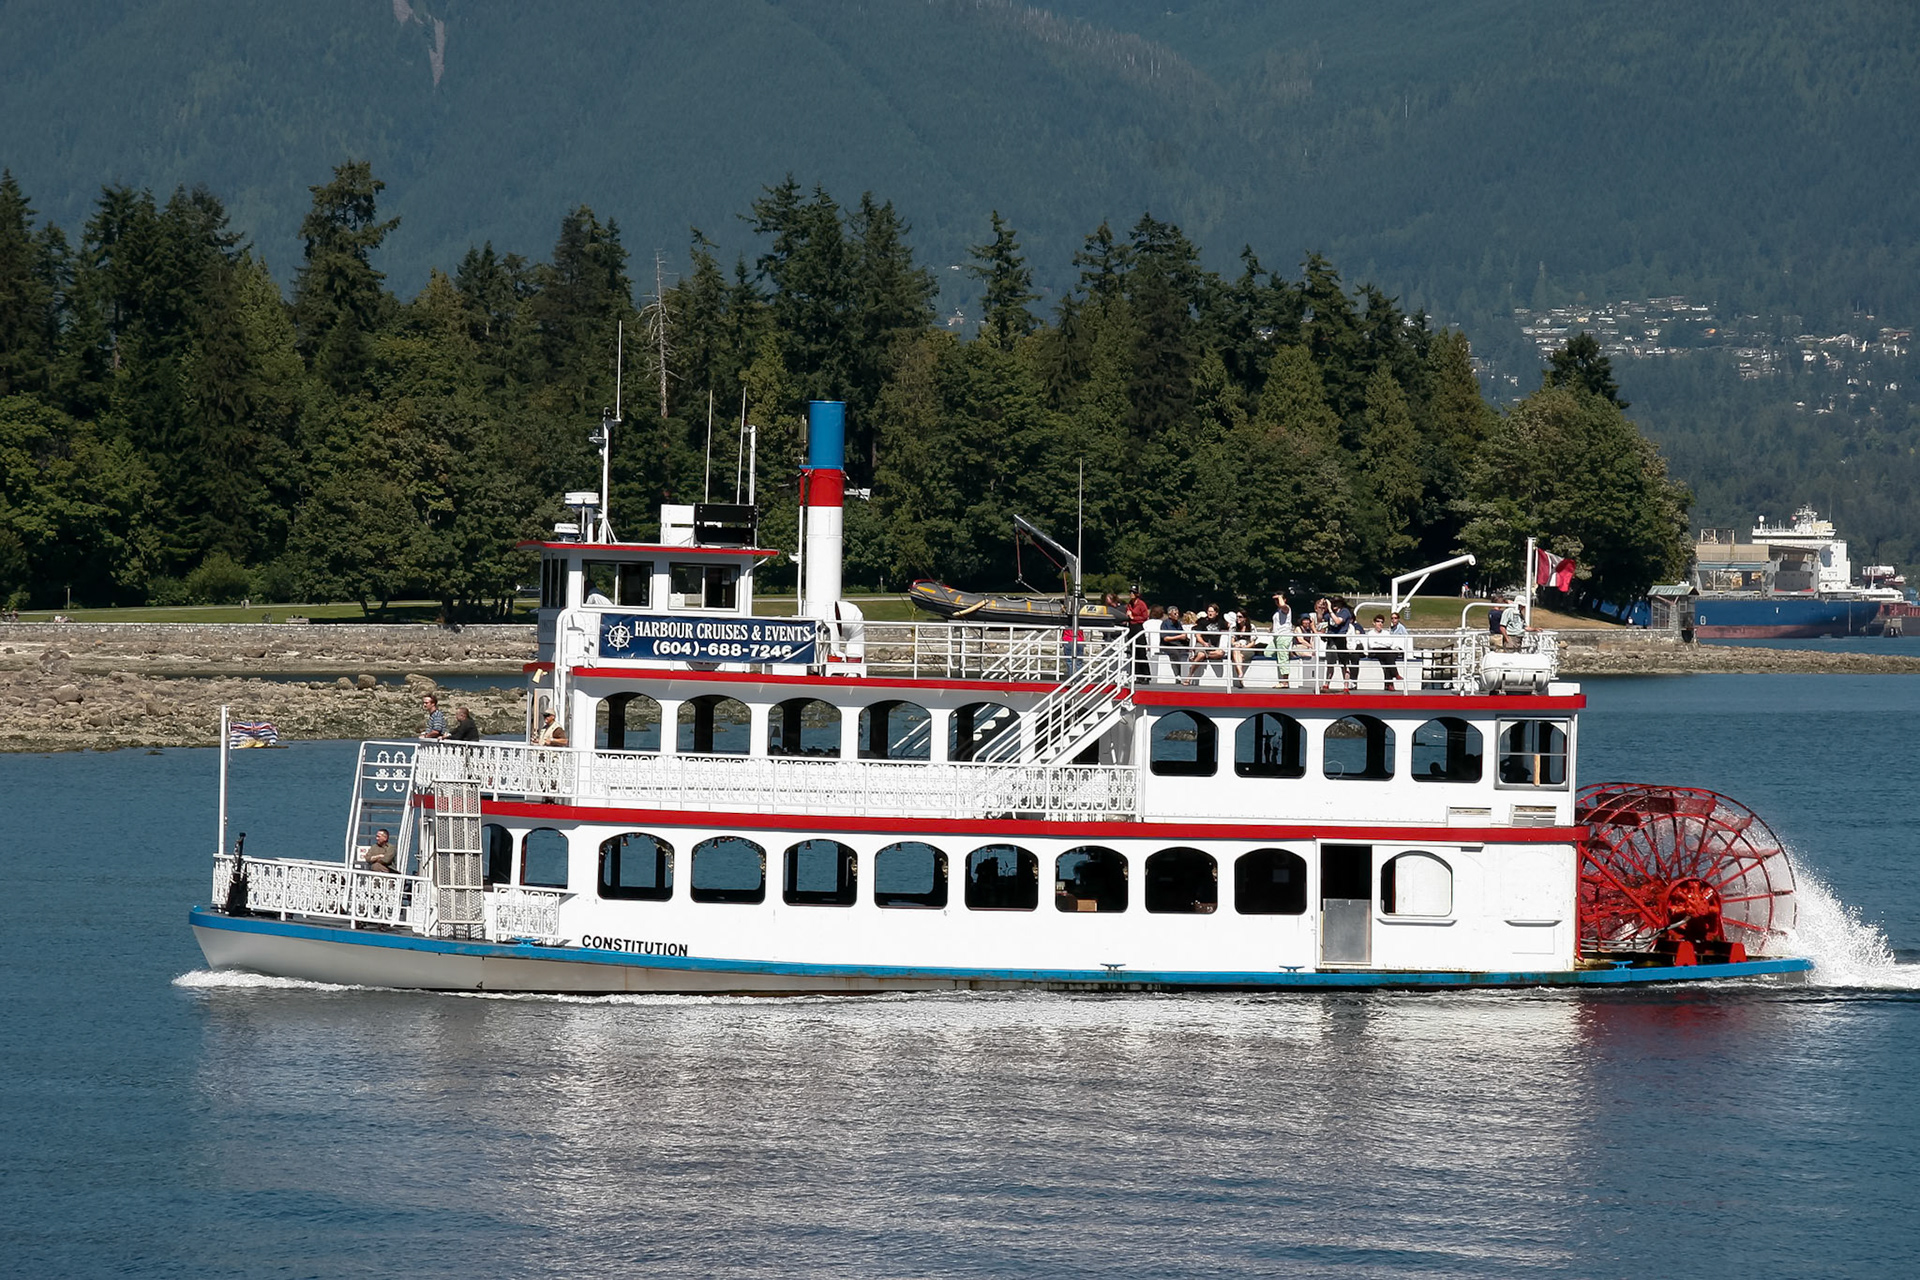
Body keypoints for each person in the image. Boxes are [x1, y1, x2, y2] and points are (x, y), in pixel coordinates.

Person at [1367, 614, 1403, 688]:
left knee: (1388, 659)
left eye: (1382, 622)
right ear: (1374, 623)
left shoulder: (1386, 633)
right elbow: (1372, 645)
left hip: (1385, 652)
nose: (1380, 624)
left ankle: (1389, 684)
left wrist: (1378, 642)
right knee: (1389, 655)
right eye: (1378, 621)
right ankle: (1395, 674)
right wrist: (1383, 644)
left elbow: (1389, 643)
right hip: (1374, 652)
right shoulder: (1370, 633)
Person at [1158, 604, 1189, 682]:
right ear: (1169, 615)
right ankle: (1177, 675)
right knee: (1175, 653)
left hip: (1178, 644)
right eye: (1175, 614)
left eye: (1178, 613)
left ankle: (1186, 675)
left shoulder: (1178, 623)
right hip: (1167, 645)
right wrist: (1179, 637)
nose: (1177, 615)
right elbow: (1165, 638)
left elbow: (1182, 634)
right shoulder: (1165, 624)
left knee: (1185, 652)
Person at [1126, 587, 1151, 679]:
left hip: (1138, 628)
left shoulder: (1141, 604)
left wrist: (1133, 618)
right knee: (1134, 653)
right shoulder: (1129, 604)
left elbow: (1145, 617)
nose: (1131, 594)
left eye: (1133, 592)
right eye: (1130, 592)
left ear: (1137, 594)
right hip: (1131, 628)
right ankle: (1138, 675)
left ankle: (1146, 675)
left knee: (1141, 652)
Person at [1230, 612, 1261, 682]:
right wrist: (1236, 644)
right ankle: (1240, 673)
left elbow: (1252, 643)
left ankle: (1240, 674)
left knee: (1239, 656)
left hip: (1248, 648)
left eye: (1240, 617)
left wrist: (1244, 647)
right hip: (1237, 647)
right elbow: (1232, 641)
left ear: (1245, 618)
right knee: (1235, 650)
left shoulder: (1251, 627)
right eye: (1237, 617)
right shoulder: (1234, 627)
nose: (1238, 618)